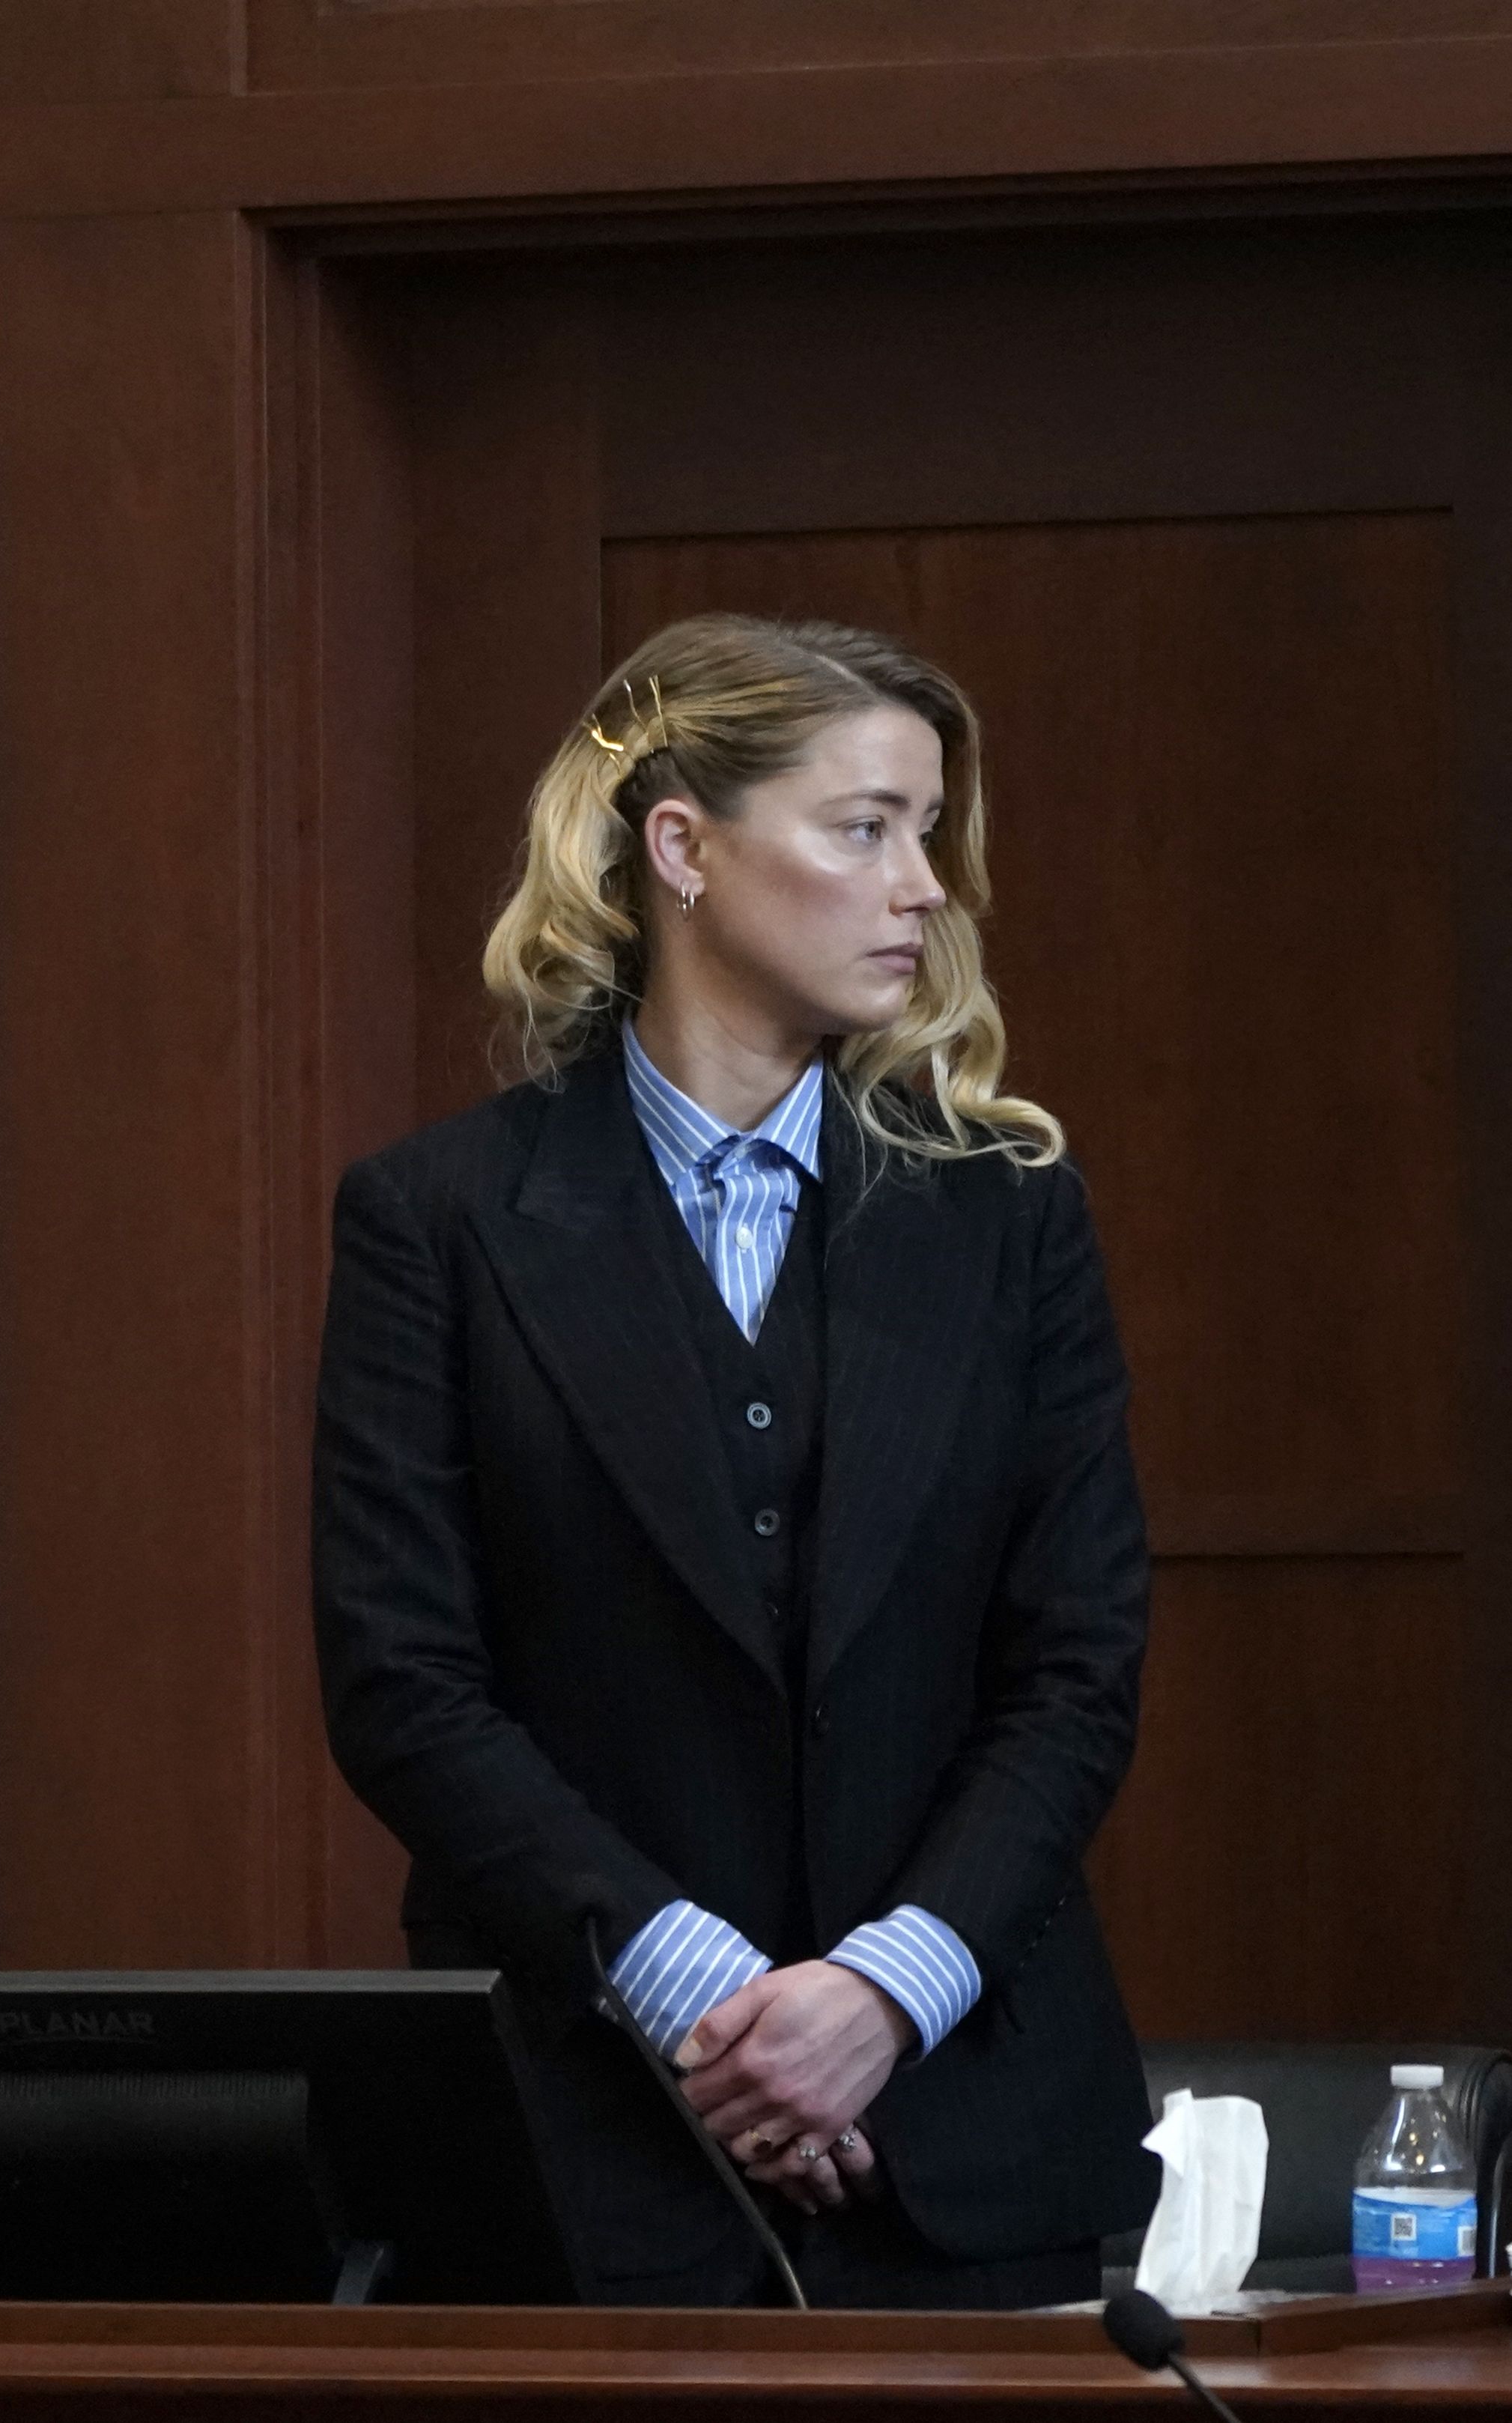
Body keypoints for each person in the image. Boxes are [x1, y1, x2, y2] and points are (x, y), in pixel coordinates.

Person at [312, 613, 1159, 2307]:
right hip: (587, 2138)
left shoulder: (1006, 1218)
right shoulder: (437, 1222)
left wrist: (876, 1995)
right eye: (866, 826)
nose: (924, 884)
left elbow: (1074, 1668)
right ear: (681, 849)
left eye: (927, 829)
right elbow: (402, 1682)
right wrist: (701, 1992)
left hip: (963, 2136)